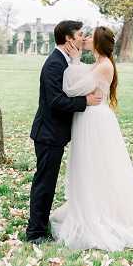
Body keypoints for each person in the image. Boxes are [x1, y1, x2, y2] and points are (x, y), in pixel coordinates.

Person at [49, 26, 133, 251]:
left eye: (91, 37)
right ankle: (91, 205)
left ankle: (101, 212)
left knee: (98, 167)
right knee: (90, 167)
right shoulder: (99, 63)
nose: (86, 39)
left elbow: (72, 89)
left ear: (99, 43)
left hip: (95, 122)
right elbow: (83, 79)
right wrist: (77, 61)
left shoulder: (104, 66)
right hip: (89, 118)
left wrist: (73, 62)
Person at [26, 20, 102, 244]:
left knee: (46, 182)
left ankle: (39, 226)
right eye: (79, 34)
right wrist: (85, 101)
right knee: (44, 183)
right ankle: (35, 233)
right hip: (48, 134)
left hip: (55, 133)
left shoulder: (65, 61)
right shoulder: (54, 64)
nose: (82, 37)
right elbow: (56, 101)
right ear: (69, 39)